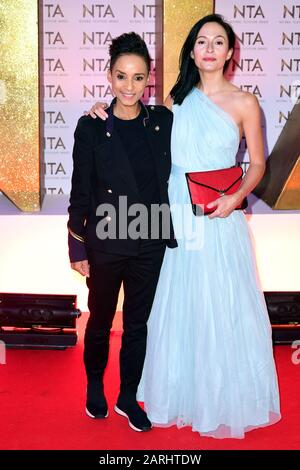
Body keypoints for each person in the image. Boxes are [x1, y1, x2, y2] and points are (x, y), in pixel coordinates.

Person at [89, 14, 281, 439]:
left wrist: (236, 199)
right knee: (172, 303)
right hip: (173, 211)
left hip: (220, 212)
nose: (209, 48)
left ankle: (216, 396)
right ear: (192, 50)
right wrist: (99, 110)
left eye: (218, 42)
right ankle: (171, 391)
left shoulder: (246, 102)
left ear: (231, 51)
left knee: (219, 303)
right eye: (201, 41)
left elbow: (260, 164)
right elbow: (130, 120)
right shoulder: (176, 100)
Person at [67, 32, 176, 432]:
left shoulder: (162, 121)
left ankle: (128, 396)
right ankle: (95, 385)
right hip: (107, 239)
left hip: (149, 240)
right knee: (98, 319)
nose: (128, 87)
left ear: (149, 80)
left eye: (138, 78)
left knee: (137, 322)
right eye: (121, 77)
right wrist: (75, 247)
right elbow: (80, 193)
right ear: (109, 77)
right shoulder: (91, 126)